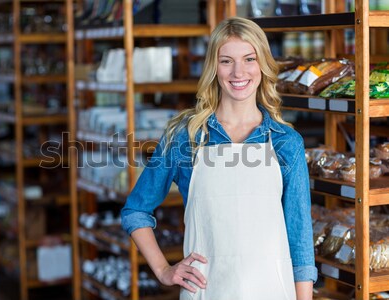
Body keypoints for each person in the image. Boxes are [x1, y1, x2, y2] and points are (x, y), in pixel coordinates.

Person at [121, 16, 317, 300]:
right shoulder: (185, 137)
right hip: (206, 291)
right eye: (226, 61)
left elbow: (299, 240)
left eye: (249, 59)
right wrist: (164, 271)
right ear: (214, 68)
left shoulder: (286, 142)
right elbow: (136, 211)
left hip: (273, 291)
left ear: (263, 64)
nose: (238, 72)